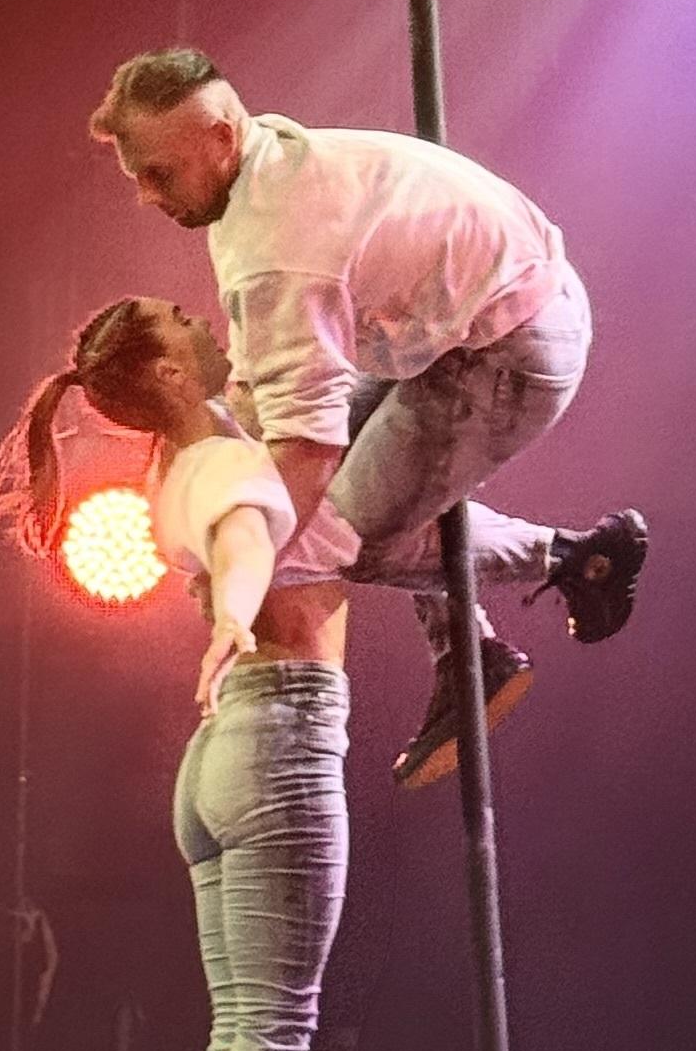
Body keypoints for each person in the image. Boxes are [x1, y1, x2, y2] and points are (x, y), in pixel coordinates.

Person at [0, 292, 359, 1051]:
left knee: (242, 1026)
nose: (205, 318)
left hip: (221, 761)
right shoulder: (215, 462)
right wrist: (235, 614)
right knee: (273, 1028)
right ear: (172, 374)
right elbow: (245, 537)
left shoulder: (177, 458)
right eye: (181, 317)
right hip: (279, 730)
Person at [88, 48, 649, 788]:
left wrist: (242, 579)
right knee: (364, 489)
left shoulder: (275, 249)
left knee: (352, 540)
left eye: (158, 173)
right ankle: (471, 651)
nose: (144, 195)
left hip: (508, 348)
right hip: (462, 324)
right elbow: (267, 387)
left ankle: (578, 559)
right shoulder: (263, 165)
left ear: (220, 135)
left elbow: (306, 455)